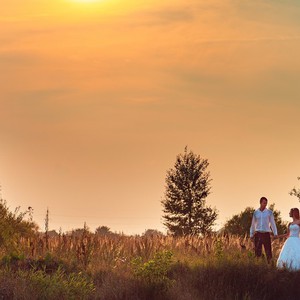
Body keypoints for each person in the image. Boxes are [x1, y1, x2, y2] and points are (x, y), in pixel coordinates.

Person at [250, 197, 278, 262]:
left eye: (266, 203)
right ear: (260, 203)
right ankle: (258, 266)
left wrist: (275, 233)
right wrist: (251, 234)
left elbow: (272, 223)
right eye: (264, 203)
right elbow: (253, 224)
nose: (265, 204)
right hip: (258, 234)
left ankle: (270, 265)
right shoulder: (256, 213)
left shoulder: (269, 212)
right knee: (257, 252)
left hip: (266, 234)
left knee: (268, 252)